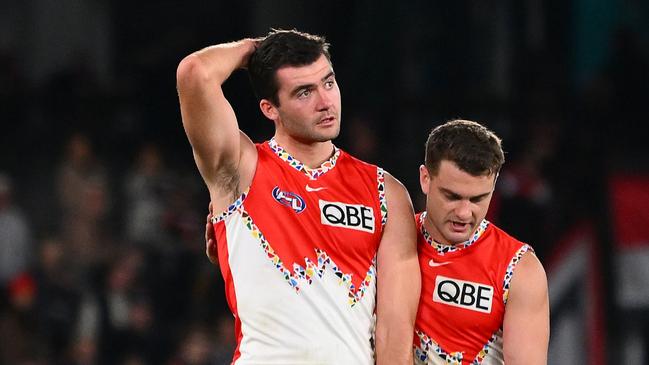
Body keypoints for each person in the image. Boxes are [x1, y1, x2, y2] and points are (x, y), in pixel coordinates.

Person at [176, 29, 420, 364]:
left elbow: (395, 331)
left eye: (329, 83)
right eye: (304, 92)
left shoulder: (385, 192)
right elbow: (195, 73)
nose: (325, 102)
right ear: (269, 108)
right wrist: (255, 50)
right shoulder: (240, 169)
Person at [413, 120, 549, 364]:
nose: (464, 213)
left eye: (478, 199)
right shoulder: (390, 240)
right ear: (425, 179)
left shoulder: (519, 269)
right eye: (452, 196)